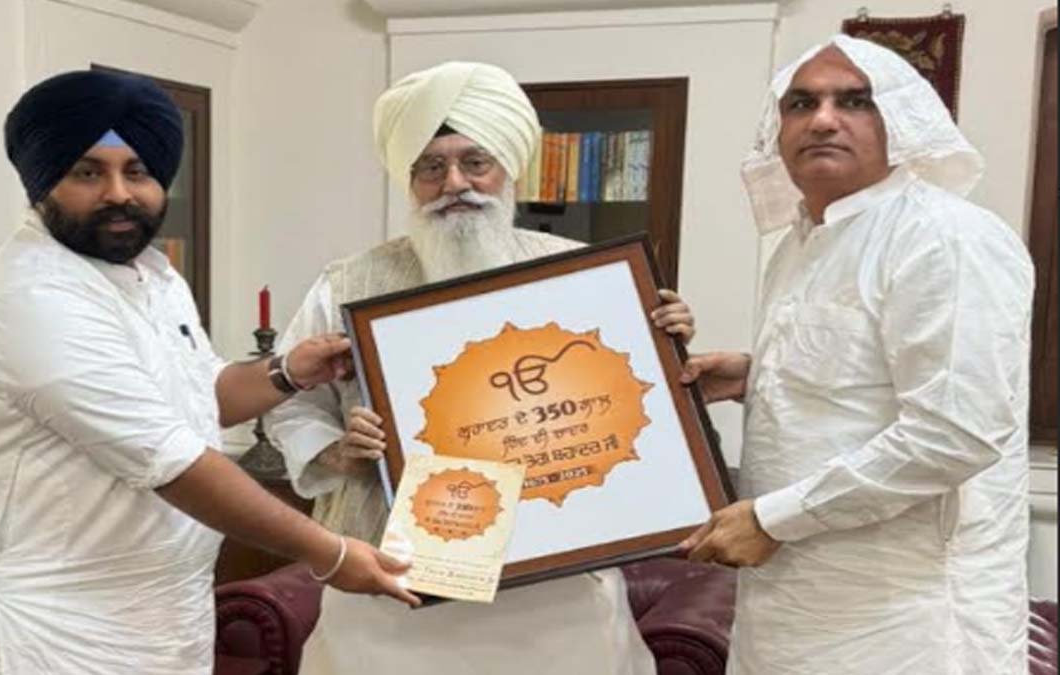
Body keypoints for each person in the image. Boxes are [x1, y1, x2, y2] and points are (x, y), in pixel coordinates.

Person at [0, 70, 416, 675]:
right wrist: (333, 555)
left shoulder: (152, 274)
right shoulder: (32, 297)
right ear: (43, 180)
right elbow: (173, 462)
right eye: (88, 173)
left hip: (148, 620)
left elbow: (200, 398)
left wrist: (289, 372)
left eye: (136, 172)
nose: (118, 193)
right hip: (32, 629)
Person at [264, 61, 695, 675]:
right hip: (393, 600)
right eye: (430, 168)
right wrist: (338, 452)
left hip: (555, 604)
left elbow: (639, 403)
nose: (455, 183)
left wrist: (662, 341)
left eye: (475, 162)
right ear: (409, 180)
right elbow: (290, 405)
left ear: (508, 169)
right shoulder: (347, 285)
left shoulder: (584, 274)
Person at [676, 35, 1034, 674]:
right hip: (792, 606)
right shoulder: (799, 244)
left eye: (854, 101)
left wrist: (775, 518)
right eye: (801, 103)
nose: (822, 119)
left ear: (900, 120)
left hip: (904, 623)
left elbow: (955, 432)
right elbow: (863, 383)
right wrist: (757, 376)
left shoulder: (943, 236)